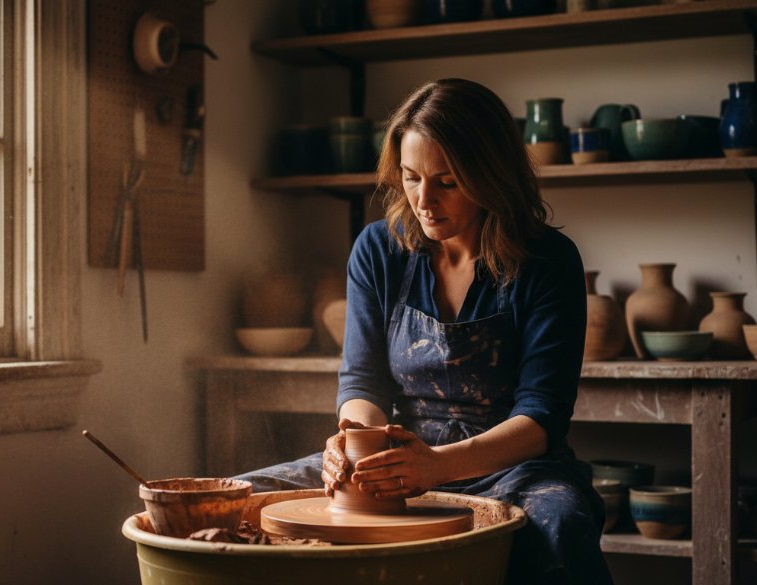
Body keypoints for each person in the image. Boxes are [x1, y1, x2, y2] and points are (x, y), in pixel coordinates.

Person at [236, 78, 612, 585]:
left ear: (490, 177)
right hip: (398, 457)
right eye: (411, 178)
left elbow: (542, 418)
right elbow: (363, 382)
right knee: (236, 496)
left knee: (560, 527)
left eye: (447, 182)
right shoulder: (379, 251)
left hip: (512, 465)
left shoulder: (546, 261)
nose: (423, 200)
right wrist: (350, 446)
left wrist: (436, 467)